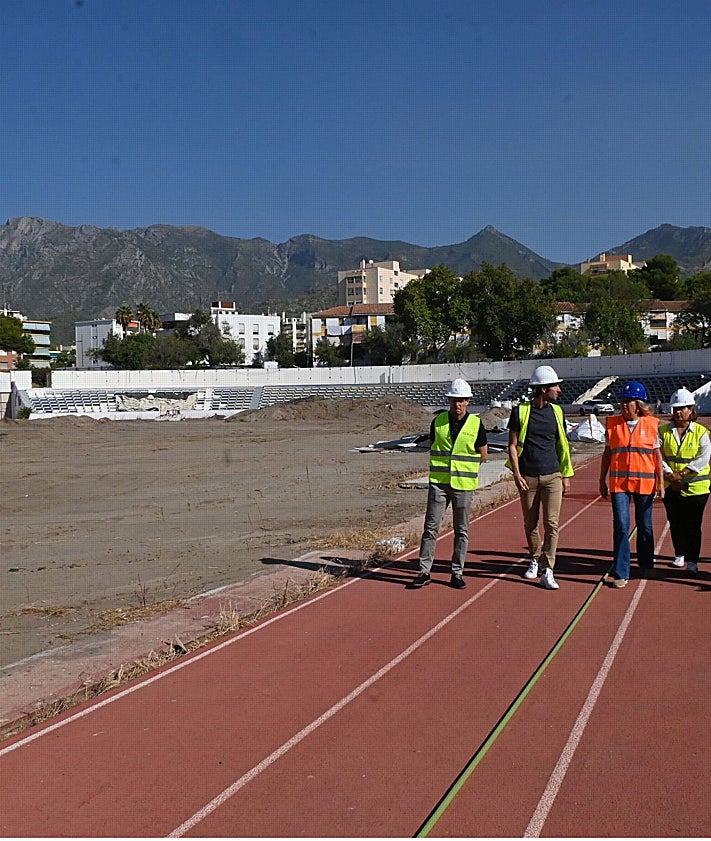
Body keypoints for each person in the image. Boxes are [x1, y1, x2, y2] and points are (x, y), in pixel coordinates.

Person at [410, 378, 488, 589]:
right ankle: (424, 571)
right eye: (454, 400)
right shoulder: (438, 421)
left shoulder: (476, 424)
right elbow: (435, 446)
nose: (457, 404)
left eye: (461, 400)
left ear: (468, 401)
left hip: (463, 485)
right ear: (449, 400)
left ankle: (457, 572)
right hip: (439, 483)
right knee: (430, 528)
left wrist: (466, 470)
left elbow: (483, 454)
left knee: (461, 530)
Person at [506, 365, 574, 590]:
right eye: (556, 386)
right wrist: (516, 474)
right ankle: (535, 558)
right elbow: (513, 446)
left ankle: (548, 569)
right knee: (530, 522)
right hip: (528, 477)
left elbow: (562, 445)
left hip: (553, 474)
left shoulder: (557, 412)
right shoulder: (520, 411)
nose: (559, 390)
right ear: (544, 389)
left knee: (552, 523)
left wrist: (565, 475)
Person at [599, 380, 664, 588]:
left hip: (645, 484)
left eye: (629, 402)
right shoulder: (613, 424)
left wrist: (661, 482)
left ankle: (646, 564)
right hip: (619, 484)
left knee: (645, 526)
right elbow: (607, 454)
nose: (624, 405)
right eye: (623, 401)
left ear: (639, 404)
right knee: (621, 526)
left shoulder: (652, 425)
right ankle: (621, 571)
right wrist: (602, 479)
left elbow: (656, 456)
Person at [660, 388, 710, 575]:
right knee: (675, 521)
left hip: (697, 487)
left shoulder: (701, 432)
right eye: (675, 408)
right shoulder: (663, 431)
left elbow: (703, 458)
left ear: (691, 409)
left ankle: (693, 559)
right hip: (671, 485)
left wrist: (682, 475)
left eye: (682, 408)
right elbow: (659, 455)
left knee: (693, 524)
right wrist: (670, 476)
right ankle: (679, 553)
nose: (678, 412)